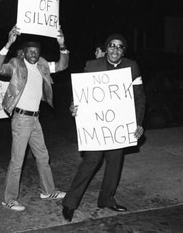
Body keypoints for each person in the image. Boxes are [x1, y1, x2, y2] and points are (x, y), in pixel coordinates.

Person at [62, 33, 146, 222]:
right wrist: (74, 106)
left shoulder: (131, 66)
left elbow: (140, 98)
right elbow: (80, 92)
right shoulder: (92, 65)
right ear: (106, 48)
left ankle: (107, 200)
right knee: (90, 162)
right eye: (112, 45)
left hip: (118, 126)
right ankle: (69, 203)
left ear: (124, 51)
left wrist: (138, 123)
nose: (115, 49)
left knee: (115, 164)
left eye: (120, 47)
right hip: (97, 126)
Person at [0, 25, 69, 211]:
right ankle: (9, 199)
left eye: (36, 51)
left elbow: (62, 65)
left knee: (43, 156)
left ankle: (48, 190)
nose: (33, 54)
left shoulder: (42, 65)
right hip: (21, 119)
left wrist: (62, 45)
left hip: (35, 119)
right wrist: (8, 44)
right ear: (23, 52)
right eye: (30, 51)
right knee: (17, 161)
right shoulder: (16, 65)